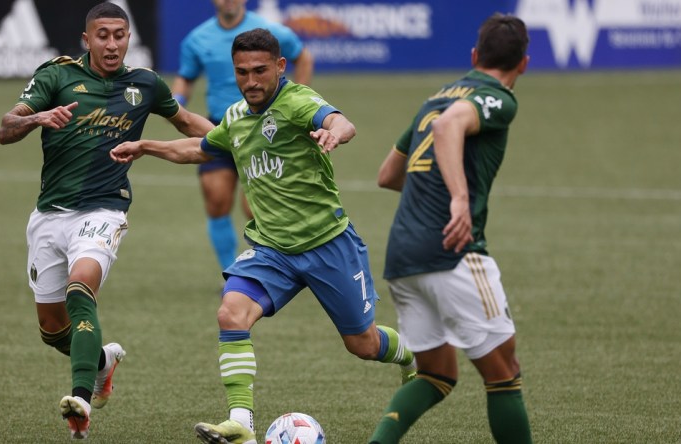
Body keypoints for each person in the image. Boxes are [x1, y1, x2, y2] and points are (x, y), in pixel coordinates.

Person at [110, 28, 414, 444]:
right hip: (272, 249)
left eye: (259, 71)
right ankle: (241, 423)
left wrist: (333, 133)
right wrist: (146, 147)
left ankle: (412, 353)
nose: (251, 81)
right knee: (231, 313)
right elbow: (201, 148)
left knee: (362, 343)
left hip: (328, 244)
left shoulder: (298, 101)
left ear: (280, 67)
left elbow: (342, 123)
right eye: (241, 73)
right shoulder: (236, 116)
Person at [0, 3, 213, 440]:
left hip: (104, 211)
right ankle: (101, 362)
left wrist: (236, 138)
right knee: (52, 330)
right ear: (86, 39)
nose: (112, 44)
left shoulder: (145, 84)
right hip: (49, 216)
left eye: (120, 35)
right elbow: (5, 128)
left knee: (81, 289)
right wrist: (39, 116)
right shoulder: (56, 76)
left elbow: (189, 123)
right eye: (103, 35)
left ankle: (80, 399)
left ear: (129, 38)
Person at [368, 13, 533, 444]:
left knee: (437, 374)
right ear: (524, 64)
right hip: (454, 253)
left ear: (474, 55)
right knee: (504, 373)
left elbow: (387, 174)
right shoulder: (498, 97)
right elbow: (449, 126)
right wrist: (458, 197)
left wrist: (433, 188)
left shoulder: (435, 97)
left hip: (403, 255)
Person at [172, 0, 314, 274]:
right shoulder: (197, 39)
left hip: (265, 126)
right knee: (216, 200)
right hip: (218, 125)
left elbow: (303, 56)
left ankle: (280, 266)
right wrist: (176, 102)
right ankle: (232, 272)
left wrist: (299, 100)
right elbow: (186, 77)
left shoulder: (270, 33)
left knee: (256, 208)